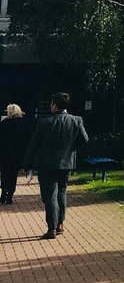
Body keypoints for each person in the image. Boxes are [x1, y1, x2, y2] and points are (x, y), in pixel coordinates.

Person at [22, 92, 88, 239]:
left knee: (50, 196)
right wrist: (70, 148)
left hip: (46, 164)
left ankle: (51, 228)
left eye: (51, 104)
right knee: (62, 192)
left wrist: (27, 165)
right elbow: (84, 140)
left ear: (54, 105)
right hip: (66, 163)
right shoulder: (76, 120)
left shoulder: (44, 123)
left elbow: (33, 145)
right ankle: (60, 224)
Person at [0, 103, 32, 204]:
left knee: (4, 173)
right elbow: (28, 138)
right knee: (13, 174)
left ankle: (4, 191)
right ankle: (10, 195)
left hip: (4, 153)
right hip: (18, 153)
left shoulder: (3, 123)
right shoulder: (24, 123)